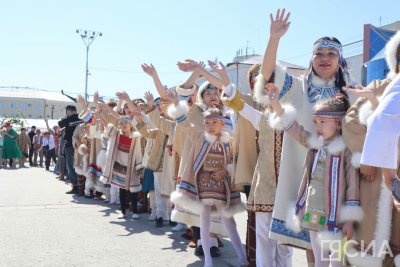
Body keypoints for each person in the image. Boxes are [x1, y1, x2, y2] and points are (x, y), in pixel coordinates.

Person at [257, 9, 357, 252]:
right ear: (310, 59)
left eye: (331, 53)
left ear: (340, 59)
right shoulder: (297, 86)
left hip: (341, 177)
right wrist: (274, 39)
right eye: (319, 53)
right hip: (303, 176)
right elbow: (267, 76)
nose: (325, 58)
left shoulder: (352, 92)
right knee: (312, 246)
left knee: (339, 249)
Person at [266, 83, 362, 267]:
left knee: (338, 262)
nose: (317, 126)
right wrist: (276, 104)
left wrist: (350, 220)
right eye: (316, 121)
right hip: (312, 215)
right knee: (320, 261)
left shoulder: (346, 151)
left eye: (323, 122)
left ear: (339, 123)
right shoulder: (315, 144)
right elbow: (294, 129)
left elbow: (352, 188)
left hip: (338, 219)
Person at [167, 89, 247, 267]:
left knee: (229, 222)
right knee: (204, 222)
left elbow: (234, 162)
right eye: (207, 122)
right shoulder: (199, 136)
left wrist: (225, 172)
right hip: (203, 187)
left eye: (214, 122)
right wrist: (174, 102)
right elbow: (183, 121)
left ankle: (242, 257)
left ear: (222, 123)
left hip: (221, 187)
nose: (210, 125)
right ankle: (208, 260)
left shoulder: (229, 141)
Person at [342, 30, 400, 266]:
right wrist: (372, 158)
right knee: (369, 248)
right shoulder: (378, 86)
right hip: (375, 182)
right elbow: (351, 120)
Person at [99, 111, 143, 220]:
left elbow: (138, 152)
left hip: (131, 166)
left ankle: (135, 212)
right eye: (121, 123)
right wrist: (100, 113)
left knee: (133, 190)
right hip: (119, 166)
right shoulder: (116, 133)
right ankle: (123, 212)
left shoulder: (135, 137)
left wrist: (139, 166)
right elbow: (107, 125)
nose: (123, 125)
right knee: (122, 190)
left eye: (126, 123)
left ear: (130, 124)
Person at [58, 105, 80, 194]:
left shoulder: (68, 119)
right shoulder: (81, 117)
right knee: (81, 165)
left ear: (68, 111)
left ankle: (75, 186)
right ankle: (82, 187)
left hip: (70, 146)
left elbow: (59, 124)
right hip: (81, 145)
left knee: (71, 166)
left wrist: (68, 117)